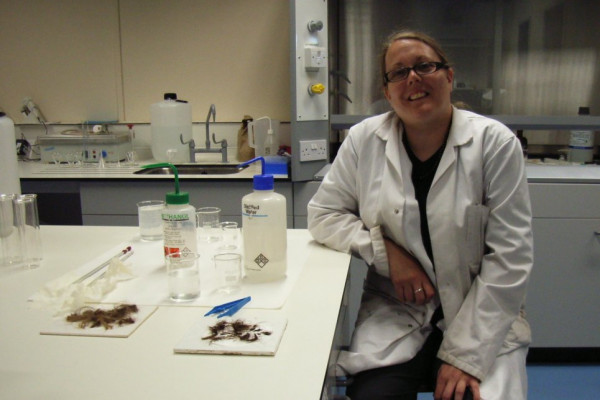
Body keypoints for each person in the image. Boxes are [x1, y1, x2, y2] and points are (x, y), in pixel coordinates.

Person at [307, 30, 533, 400]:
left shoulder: (495, 143)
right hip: (398, 311)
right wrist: (385, 252)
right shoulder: (364, 140)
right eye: (398, 73)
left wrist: (464, 358)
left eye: (424, 66)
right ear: (388, 90)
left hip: (478, 313)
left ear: (448, 76)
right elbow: (324, 214)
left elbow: (511, 258)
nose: (412, 78)